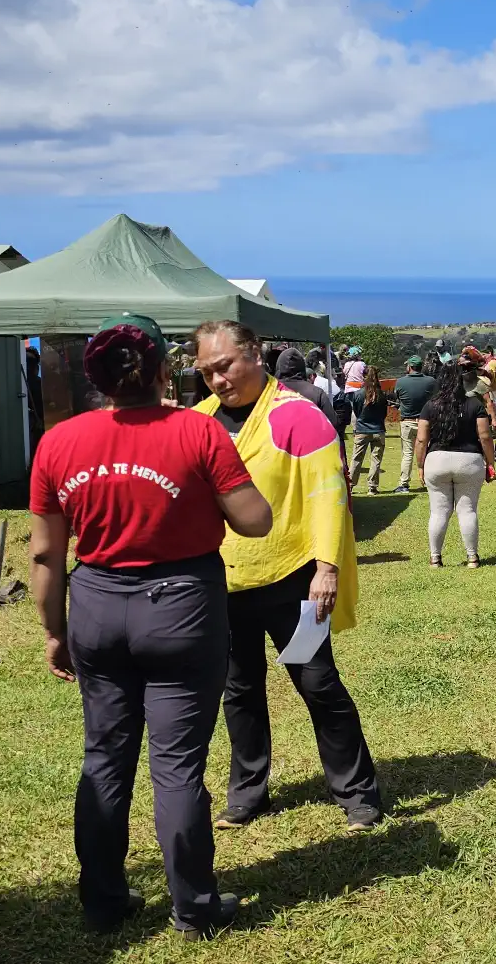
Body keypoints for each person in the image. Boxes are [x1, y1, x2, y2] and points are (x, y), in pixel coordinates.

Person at [28, 314, 271, 939]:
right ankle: (194, 906)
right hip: (183, 607)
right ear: (164, 370)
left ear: (97, 379)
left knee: (105, 758)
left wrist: (55, 631)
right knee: (177, 766)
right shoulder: (197, 430)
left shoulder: (58, 443)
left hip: (98, 606)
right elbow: (255, 521)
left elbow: (44, 555)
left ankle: (104, 901)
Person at [189, 321, 384, 835]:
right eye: (207, 371)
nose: (218, 379)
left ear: (255, 355)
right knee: (239, 690)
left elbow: (328, 495)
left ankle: (357, 792)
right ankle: (247, 792)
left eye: (225, 365)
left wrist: (327, 567)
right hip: (225, 583)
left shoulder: (299, 416)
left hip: (293, 578)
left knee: (318, 684)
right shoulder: (198, 421)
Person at [415, 350, 496, 567]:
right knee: (467, 510)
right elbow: (485, 437)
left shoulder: (430, 405)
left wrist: (420, 465)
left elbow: (421, 440)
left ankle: (435, 558)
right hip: (469, 461)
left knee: (439, 512)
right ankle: (472, 557)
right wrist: (490, 463)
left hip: (436, 460)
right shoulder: (475, 405)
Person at [392, 355, 435, 492]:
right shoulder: (431, 381)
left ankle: (404, 483)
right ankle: (431, 482)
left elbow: (397, 399)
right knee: (428, 452)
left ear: (410, 367)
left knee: (407, 454)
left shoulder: (400, 382)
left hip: (408, 422)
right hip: (427, 421)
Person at [347, 367, 388, 494]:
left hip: (362, 430)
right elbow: (384, 413)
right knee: (376, 459)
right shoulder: (381, 394)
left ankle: (351, 485)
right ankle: (372, 487)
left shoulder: (358, 394)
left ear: (363, 377)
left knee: (356, 459)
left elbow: (357, 412)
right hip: (378, 429)